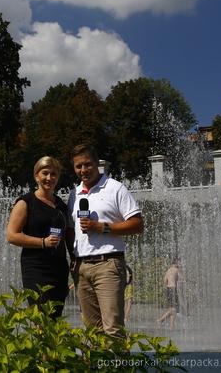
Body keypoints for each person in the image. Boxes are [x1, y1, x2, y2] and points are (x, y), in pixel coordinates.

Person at [68, 144, 144, 338]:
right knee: (92, 331)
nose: (83, 170)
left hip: (108, 264)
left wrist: (103, 227)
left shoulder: (115, 188)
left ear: (97, 164)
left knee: (113, 328)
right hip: (82, 268)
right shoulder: (74, 194)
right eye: (78, 166)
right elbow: (72, 230)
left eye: (87, 165)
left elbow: (137, 224)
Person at [6, 156, 72, 319]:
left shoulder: (61, 205)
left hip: (59, 269)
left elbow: (68, 236)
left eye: (53, 174)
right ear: (36, 175)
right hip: (36, 269)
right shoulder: (26, 202)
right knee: (41, 319)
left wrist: (75, 261)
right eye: (45, 173)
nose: (49, 178)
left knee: (54, 318)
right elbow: (12, 236)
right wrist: (42, 242)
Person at [157, 260, 180, 329]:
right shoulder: (177, 269)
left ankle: (172, 326)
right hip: (173, 289)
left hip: (168, 289)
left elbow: (164, 280)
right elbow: (181, 278)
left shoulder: (168, 270)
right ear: (176, 263)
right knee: (174, 309)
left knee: (171, 308)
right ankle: (161, 319)